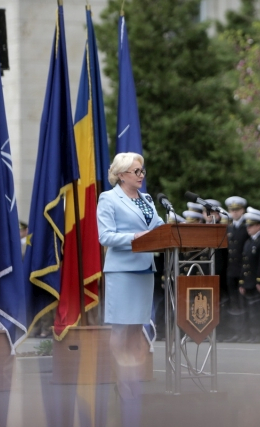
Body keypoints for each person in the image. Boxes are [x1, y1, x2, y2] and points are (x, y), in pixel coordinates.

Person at [97, 152, 165, 426]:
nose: (141, 175)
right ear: (122, 174)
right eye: (136, 171)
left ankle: (132, 380)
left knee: (137, 327)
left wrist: (173, 228)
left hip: (144, 270)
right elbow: (106, 236)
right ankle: (120, 379)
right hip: (122, 270)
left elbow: (159, 227)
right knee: (121, 327)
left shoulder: (147, 199)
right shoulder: (108, 198)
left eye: (142, 171)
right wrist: (135, 237)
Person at [238, 208, 260, 343]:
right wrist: (242, 282)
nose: (248, 229)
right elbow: (244, 263)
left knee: (258, 310)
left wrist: (259, 281)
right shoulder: (249, 241)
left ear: (258, 225)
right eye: (247, 226)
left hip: (256, 280)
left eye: (251, 226)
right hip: (248, 281)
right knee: (250, 310)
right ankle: (252, 333)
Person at [223, 196, 249, 343]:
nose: (234, 213)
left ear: (242, 210)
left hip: (241, 270)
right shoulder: (230, 227)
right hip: (231, 270)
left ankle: (244, 332)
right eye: (232, 210)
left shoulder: (246, 227)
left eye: (237, 210)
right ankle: (236, 331)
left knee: (242, 302)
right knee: (233, 303)